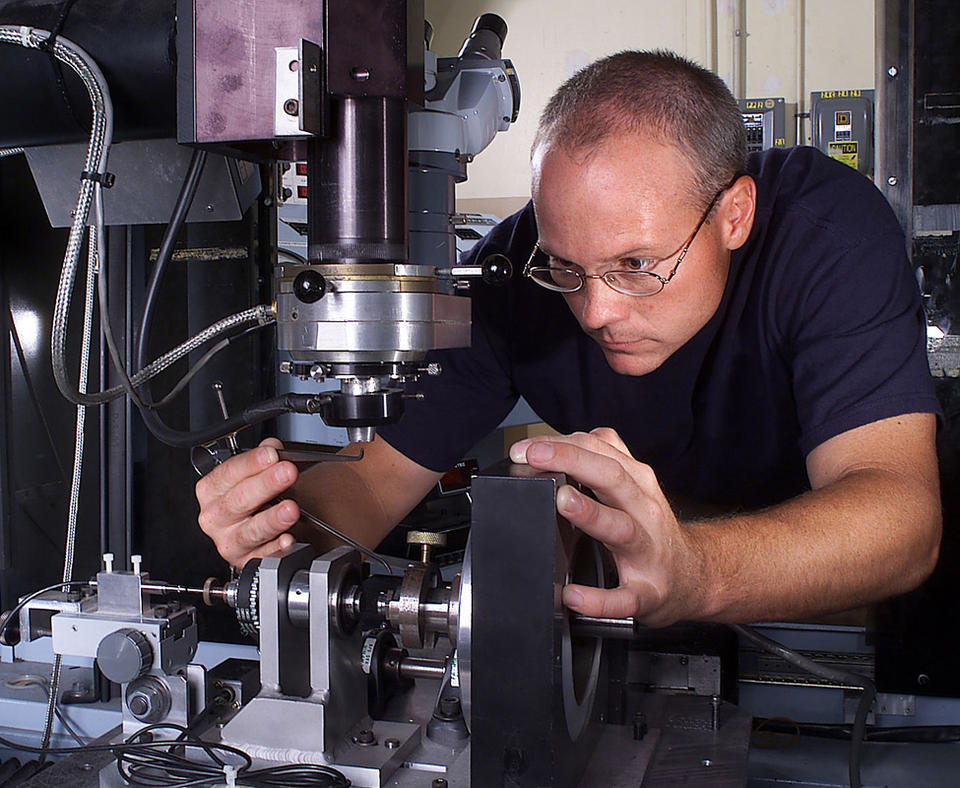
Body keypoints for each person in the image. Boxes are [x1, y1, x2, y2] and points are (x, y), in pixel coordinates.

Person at [196, 51, 941, 628]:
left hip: (820, 609)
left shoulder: (827, 237)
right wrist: (283, 532)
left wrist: (697, 570)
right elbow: (371, 482)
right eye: (568, 268)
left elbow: (900, 519)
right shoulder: (517, 271)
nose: (595, 312)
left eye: (637, 266)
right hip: (635, 610)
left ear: (734, 216)